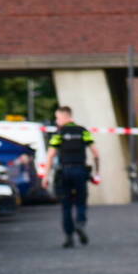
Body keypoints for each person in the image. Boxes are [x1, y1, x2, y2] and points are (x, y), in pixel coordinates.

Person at [46, 106, 100, 248]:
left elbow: (50, 155)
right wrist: (97, 173)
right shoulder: (83, 131)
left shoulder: (58, 133)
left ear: (66, 117)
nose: (57, 121)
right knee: (81, 201)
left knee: (66, 206)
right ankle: (80, 223)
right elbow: (96, 153)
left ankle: (69, 237)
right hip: (80, 170)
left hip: (64, 172)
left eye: (58, 118)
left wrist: (46, 176)